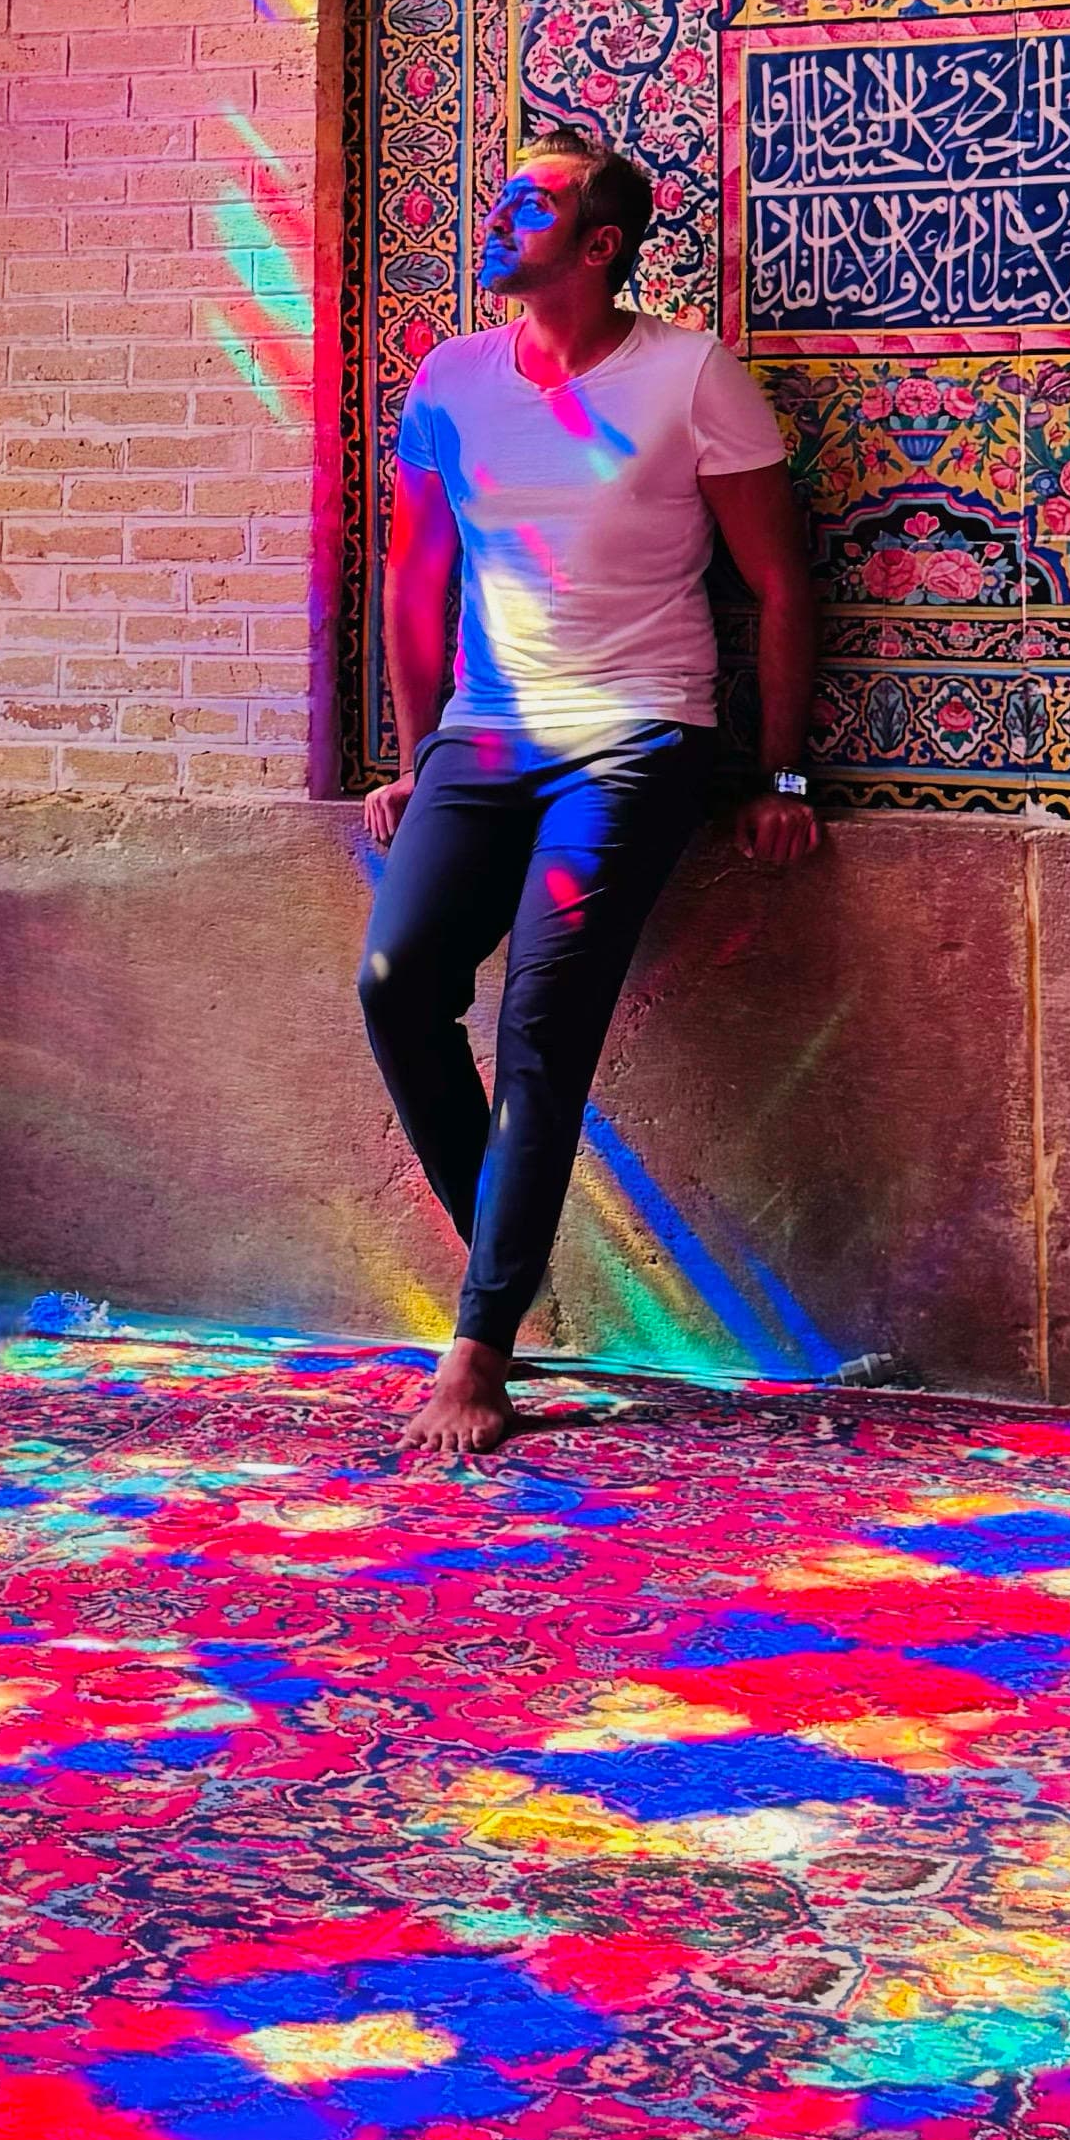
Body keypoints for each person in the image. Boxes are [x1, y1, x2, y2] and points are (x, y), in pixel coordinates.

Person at [360, 117, 821, 1466]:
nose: (497, 220)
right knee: (397, 986)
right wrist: (415, 752)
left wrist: (781, 770)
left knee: (542, 1026)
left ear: (600, 245)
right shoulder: (450, 380)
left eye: (527, 206)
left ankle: (479, 1343)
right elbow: (414, 583)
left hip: (637, 739)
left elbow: (778, 583)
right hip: (484, 739)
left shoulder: (689, 377)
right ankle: (504, 1250)